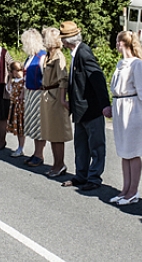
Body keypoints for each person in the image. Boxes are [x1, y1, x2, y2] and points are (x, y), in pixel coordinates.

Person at [102, 31, 142, 205]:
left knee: (133, 151)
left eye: (118, 41)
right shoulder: (120, 63)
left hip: (132, 109)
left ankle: (133, 191)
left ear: (122, 43)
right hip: (119, 107)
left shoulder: (137, 64)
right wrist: (112, 105)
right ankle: (125, 189)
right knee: (124, 152)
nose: (116, 45)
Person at [59, 21, 110, 191]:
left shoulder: (84, 53)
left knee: (96, 145)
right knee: (81, 146)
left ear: (69, 40)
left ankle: (94, 177)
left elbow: (98, 79)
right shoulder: (76, 53)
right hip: (80, 109)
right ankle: (81, 175)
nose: (62, 42)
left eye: (63, 38)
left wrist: (105, 105)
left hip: (91, 108)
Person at [39, 27, 72, 177]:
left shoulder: (59, 57)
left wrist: (61, 99)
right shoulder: (48, 56)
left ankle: (60, 164)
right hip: (47, 95)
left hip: (54, 96)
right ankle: (56, 163)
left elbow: (63, 79)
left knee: (57, 133)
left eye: (45, 37)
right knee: (51, 133)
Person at [21, 28, 47, 162]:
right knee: (33, 124)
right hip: (30, 93)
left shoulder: (42, 56)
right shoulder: (30, 58)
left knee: (39, 125)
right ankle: (36, 153)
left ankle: (39, 154)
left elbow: (46, 77)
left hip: (39, 93)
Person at [6, 62, 26, 157]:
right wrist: (10, 78)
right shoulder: (15, 81)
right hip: (15, 105)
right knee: (18, 128)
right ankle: (20, 147)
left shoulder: (24, 81)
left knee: (21, 127)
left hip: (21, 107)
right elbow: (8, 89)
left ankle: (21, 147)